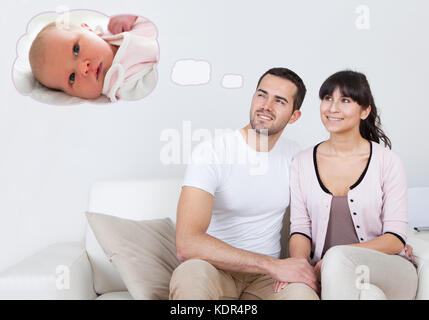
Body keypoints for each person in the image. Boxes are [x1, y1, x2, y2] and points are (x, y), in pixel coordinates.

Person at [169, 67, 320, 300]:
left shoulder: (295, 156)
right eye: (262, 95)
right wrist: (271, 265)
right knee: (189, 274)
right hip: (214, 270)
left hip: (266, 282)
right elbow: (187, 243)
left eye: (279, 101)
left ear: (294, 116)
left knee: (302, 295)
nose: (266, 106)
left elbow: (320, 212)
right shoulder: (212, 152)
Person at [283, 70, 418, 299]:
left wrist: (335, 259)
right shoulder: (301, 162)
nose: (332, 108)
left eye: (345, 100)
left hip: (388, 268)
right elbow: (300, 229)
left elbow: (395, 238)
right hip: (326, 271)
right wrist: (299, 265)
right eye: (327, 99)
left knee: (337, 261)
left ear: (365, 111)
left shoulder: (388, 162)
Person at [29, 14, 158, 102]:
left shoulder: (115, 26)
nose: (82, 68)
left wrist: (133, 16)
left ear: (89, 30)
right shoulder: (124, 85)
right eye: (72, 78)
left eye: (76, 49)